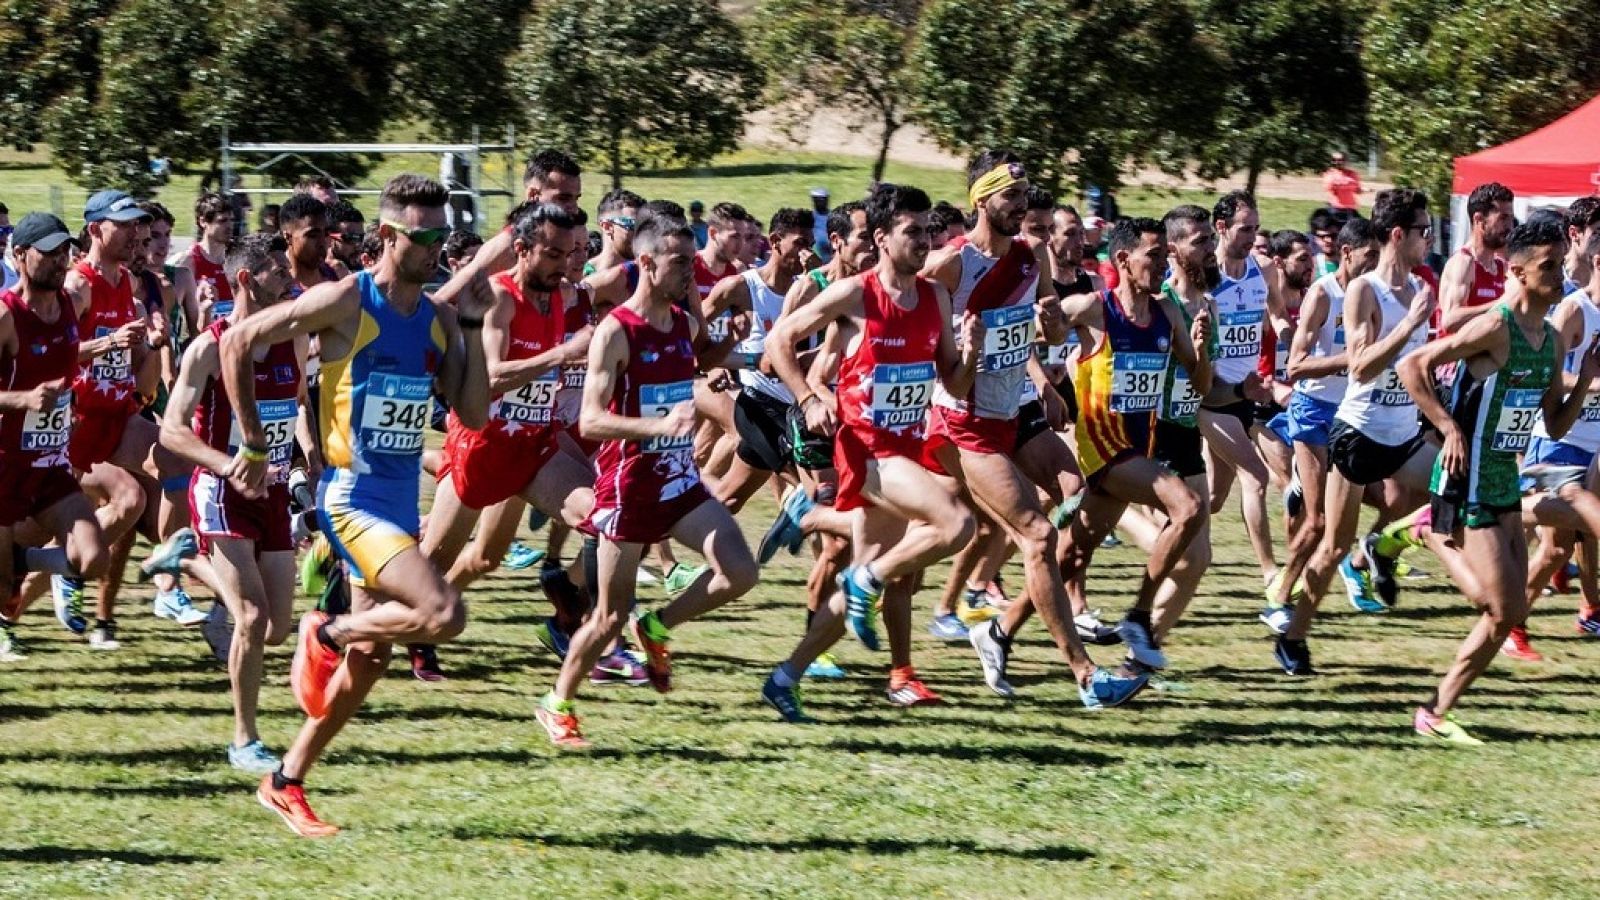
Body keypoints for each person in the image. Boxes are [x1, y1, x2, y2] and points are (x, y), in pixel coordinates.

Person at [235, 174, 493, 836]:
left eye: (441, 234)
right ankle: (325, 630)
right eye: (422, 235)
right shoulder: (348, 299)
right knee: (442, 612)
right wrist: (259, 446)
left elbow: (471, 412)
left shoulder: (437, 317)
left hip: (401, 502)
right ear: (386, 235)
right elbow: (237, 343)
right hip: (350, 499)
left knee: (372, 661)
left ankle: (286, 781)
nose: (435, 247)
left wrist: (473, 322)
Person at [534, 211, 759, 747]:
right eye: (679, 262)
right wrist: (656, 425)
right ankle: (557, 701)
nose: (690, 272)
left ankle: (656, 627)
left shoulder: (682, 322)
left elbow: (694, 367)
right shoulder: (615, 331)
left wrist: (728, 347)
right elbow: (590, 419)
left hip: (678, 481)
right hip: (629, 488)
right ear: (646, 264)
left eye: (690, 260)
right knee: (608, 616)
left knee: (740, 571)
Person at [756, 183, 978, 720]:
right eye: (912, 232)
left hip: (907, 446)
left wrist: (970, 352)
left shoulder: (936, 296)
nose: (925, 241)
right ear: (881, 238)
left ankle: (785, 676)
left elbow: (954, 379)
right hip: (866, 451)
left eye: (929, 231)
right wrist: (809, 396)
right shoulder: (855, 294)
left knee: (874, 570)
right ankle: (862, 580)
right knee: (957, 525)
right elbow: (778, 342)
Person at [971, 217, 1206, 693]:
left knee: (1068, 558)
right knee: (1189, 507)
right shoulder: (1093, 308)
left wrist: (1201, 354)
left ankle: (997, 631)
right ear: (1123, 260)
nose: (1165, 264)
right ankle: (1140, 615)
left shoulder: (1169, 314)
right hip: (1102, 452)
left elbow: (1199, 387)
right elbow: (1041, 338)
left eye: (1165, 255)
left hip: (1137, 448)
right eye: (1155, 256)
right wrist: (1049, 340)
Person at [1398, 217, 1596, 745]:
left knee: (1503, 611)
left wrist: (1588, 379)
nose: (1559, 276)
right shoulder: (1496, 327)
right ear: (1519, 272)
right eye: (1548, 267)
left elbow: (1554, 424)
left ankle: (1435, 712)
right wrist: (1447, 427)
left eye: (1561, 265)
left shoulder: (1550, 340)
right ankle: (1435, 711)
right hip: (1468, 479)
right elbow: (1413, 364)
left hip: (1505, 478)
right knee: (1502, 607)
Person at [1274, 188, 1439, 675]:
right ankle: (1294, 634)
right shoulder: (1366, 290)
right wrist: (1409, 325)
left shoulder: (1419, 287)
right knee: (1331, 545)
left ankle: (1384, 546)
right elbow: (1363, 366)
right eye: (1422, 231)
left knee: (1459, 487)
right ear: (1397, 235)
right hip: (1359, 432)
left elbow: (1414, 365)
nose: (1429, 239)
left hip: (1405, 430)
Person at [159, 233, 306, 773]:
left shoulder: (291, 339)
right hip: (221, 491)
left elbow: (298, 410)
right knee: (249, 616)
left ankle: (187, 558)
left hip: (272, 494)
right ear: (246, 280)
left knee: (276, 627)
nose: (290, 280)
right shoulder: (208, 346)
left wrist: (305, 462)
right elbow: (172, 431)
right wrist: (229, 464)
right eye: (277, 273)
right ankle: (245, 739)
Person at [0, 214, 112, 661]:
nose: (60, 260)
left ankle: (18, 562)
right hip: (5, 463)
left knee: (93, 558)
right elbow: (29, 393)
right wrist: (23, 400)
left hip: (49, 463)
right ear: (20, 255)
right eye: (49, 252)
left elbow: (65, 373)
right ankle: (8, 570)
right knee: (2, 592)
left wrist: (69, 414)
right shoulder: (7, 315)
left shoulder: (67, 304)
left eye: (65, 251)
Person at [1199, 192, 1293, 602]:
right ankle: (1271, 573)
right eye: (1245, 229)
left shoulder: (1264, 270)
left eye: (1256, 227)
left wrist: (1289, 337)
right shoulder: (1203, 276)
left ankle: (1162, 529)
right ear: (1220, 228)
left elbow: (1278, 315)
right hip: (1210, 396)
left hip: (1248, 392)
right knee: (1255, 475)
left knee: (1214, 499)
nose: (1254, 236)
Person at [1437, 182, 1513, 335]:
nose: (1510, 226)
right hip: (1455, 357)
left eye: (1511, 218)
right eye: (1503, 218)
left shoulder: (1500, 266)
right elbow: (1450, 321)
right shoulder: (1463, 263)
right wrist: (1500, 306)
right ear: (1479, 220)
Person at [810, 187, 832, 263]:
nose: (821, 202)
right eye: (818, 200)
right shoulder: (810, 217)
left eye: (823, 199)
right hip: (815, 258)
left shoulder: (833, 216)